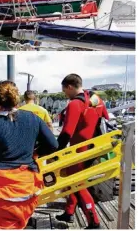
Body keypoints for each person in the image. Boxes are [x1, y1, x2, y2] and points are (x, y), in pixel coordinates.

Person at [0, 81, 58, 230]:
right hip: (29, 189)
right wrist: (36, 152)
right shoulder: (33, 118)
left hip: (3, 194)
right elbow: (53, 144)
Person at [55, 74, 109, 229]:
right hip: (95, 148)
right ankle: (70, 211)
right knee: (69, 177)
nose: (65, 94)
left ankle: (94, 222)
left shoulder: (74, 104)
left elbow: (66, 132)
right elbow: (106, 119)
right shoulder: (96, 100)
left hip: (80, 151)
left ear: (70, 87)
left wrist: (56, 154)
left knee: (77, 184)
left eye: (65, 90)